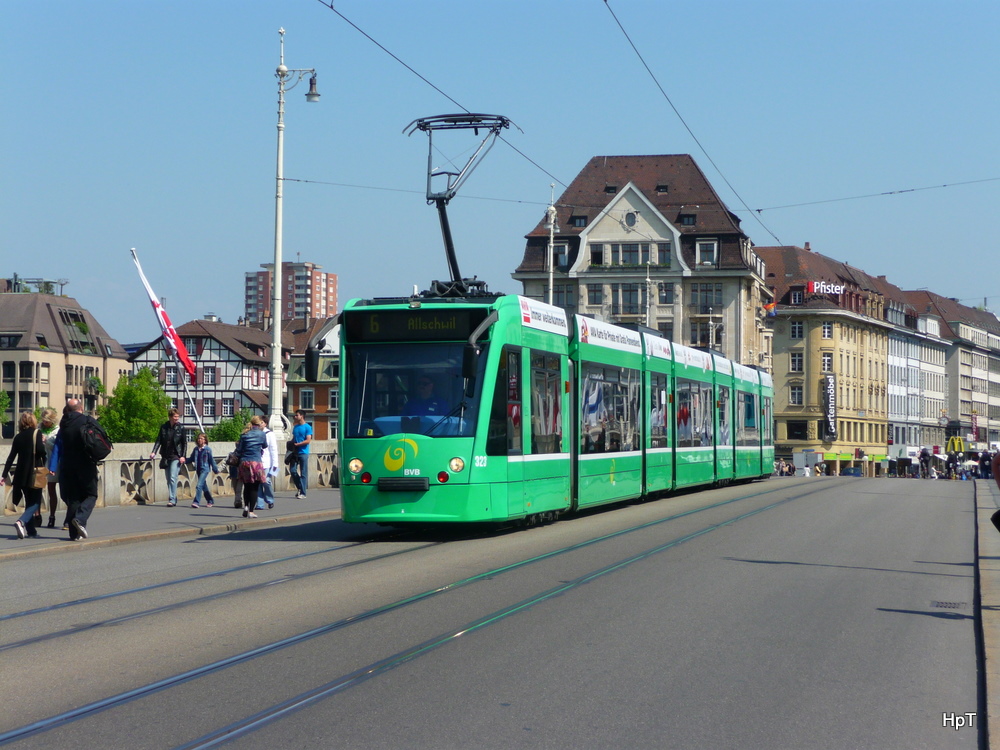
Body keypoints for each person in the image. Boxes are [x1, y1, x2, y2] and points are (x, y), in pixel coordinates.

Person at [51, 398, 100, 541]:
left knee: (73, 499)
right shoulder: (87, 420)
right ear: (81, 408)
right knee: (91, 495)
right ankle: (80, 519)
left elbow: (57, 446)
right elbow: (101, 439)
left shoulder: (63, 424)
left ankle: (74, 534)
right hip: (85, 464)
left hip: (67, 466)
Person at [2, 411, 48, 539]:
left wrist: (4, 474)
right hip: (34, 473)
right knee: (35, 503)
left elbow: (11, 458)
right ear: (33, 421)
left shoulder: (18, 437)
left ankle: (31, 531)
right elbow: (41, 451)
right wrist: (43, 442)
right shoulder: (36, 433)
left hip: (20, 474)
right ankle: (21, 522)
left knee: (29, 501)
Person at [150, 409, 187, 507]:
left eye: (178, 417)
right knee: (168, 478)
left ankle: (171, 499)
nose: (177, 419)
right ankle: (173, 496)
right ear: (170, 417)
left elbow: (184, 443)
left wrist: (183, 456)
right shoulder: (164, 427)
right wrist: (154, 452)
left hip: (176, 456)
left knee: (172, 477)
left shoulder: (181, 428)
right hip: (166, 456)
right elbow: (159, 441)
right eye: (175, 417)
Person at [234, 420, 268, 518]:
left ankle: (245, 507)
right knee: (254, 488)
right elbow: (265, 446)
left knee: (247, 486)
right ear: (258, 425)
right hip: (256, 462)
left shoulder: (244, 434)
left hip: (244, 462)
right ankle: (251, 511)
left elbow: (239, 449)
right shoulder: (262, 434)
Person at [40, 407, 63, 529]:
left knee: (52, 490)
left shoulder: (57, 430)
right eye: (43, 421)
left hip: (54, 463)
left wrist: (46, 441)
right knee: (38, 489)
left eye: (47, 421)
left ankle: (52, 516)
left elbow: (57, 448)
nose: (45, 423)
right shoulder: (39, 429)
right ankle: (37, 515)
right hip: (42, 463)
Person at [251, 416, 279, 511]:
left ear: (265, 424)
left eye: (262, 423)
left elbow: (273, 450)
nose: (260, 425)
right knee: (257, 484)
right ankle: (260, 504)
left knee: (266, 482)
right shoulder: (255, 433)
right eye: (259, 423)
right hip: (256, 462)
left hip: (266, 463)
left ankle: (270, 499)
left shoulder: (270, 434)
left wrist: (275, 465)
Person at [187, 432, 220, 508]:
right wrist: (183, 460)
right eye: (198, 438)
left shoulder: (207, 449)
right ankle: (210, 500)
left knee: (198, 486)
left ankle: (196, 502)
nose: (199, 440)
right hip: (198, 469)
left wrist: (215, 469)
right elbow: (192, 458)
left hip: (204, 469)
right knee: (203, 486)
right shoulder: (196, 449)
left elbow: (211, 460)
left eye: (201, 438)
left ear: (205, 440)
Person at [289, 409, 312, 500]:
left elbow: (308, 440)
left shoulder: (307, 427)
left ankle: (303, 493)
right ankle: (300, 487)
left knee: (303, 473)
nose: (295, 417)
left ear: (301, 416)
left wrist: (298, 444)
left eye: (297, 415)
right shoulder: (295, 427)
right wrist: (291, 444)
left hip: (303, 452)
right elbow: (294, 438)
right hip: (295, 452)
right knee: (293, 470)